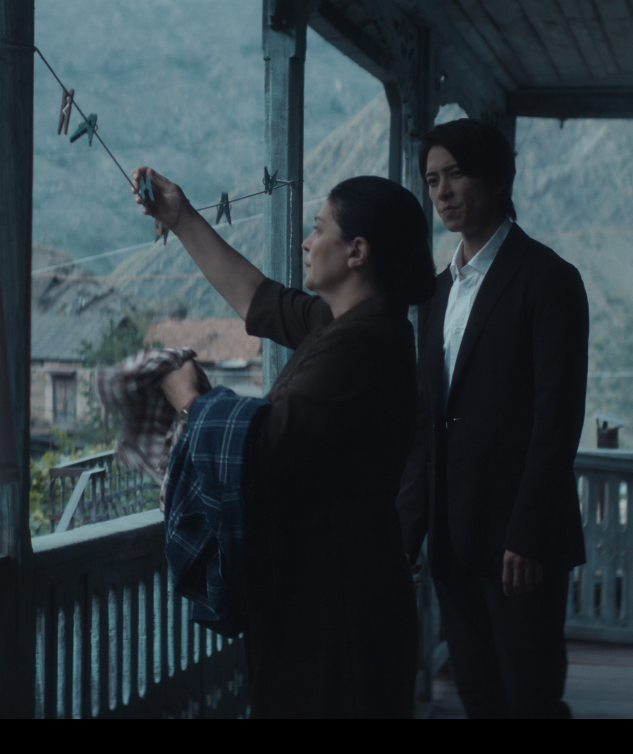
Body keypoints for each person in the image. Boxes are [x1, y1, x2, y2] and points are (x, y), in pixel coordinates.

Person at [135, 166, 433, 718]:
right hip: (334, 586)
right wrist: (180, 217)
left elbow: (263, 449)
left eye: (318, 229)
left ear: (357, 252)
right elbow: (259, 299)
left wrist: (192, 402)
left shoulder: (361, 344)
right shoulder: (348, 324)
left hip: (335, 603)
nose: (306, 242)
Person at [398, 118, 589, 719]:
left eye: (455, 174)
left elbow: (557, 420)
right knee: (479, 699)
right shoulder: (435, 295)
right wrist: (408, 534)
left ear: (499, 178)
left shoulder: (549, 280)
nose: (443, 192)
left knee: (531, 699)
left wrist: (527, 534)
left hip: (519, 547)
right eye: (433, 180)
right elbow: (426, 425)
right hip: (451, 544)